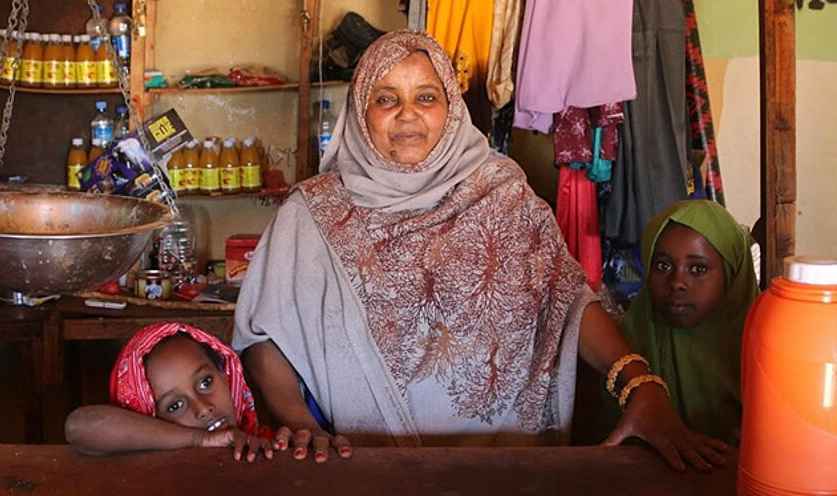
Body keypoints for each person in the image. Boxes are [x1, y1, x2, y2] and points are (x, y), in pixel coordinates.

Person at [233, 30, 731, 470]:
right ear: (361, 113)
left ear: (451, 109)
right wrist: (299, 422)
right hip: (367, 462)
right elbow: (264, 334)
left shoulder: (502, 191)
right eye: (386, 99)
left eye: (426, 96)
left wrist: (640, 383)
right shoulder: (313, 213)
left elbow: (567, 300)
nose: (407, 114)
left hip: (507, 462)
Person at [602, 200, 759, 442]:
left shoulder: (770, 353)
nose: (677, 282)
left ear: (732, 274)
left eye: (698, 269)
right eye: (663, 265)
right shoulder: (621, 348)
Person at [65, 322, 274, 461]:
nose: (203, 408)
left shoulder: (259, 443)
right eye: (175, 406)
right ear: (148, 417)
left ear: (225, 374)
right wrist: (199, 439)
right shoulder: (153, 465)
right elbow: (80, 425)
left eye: (205, 382)